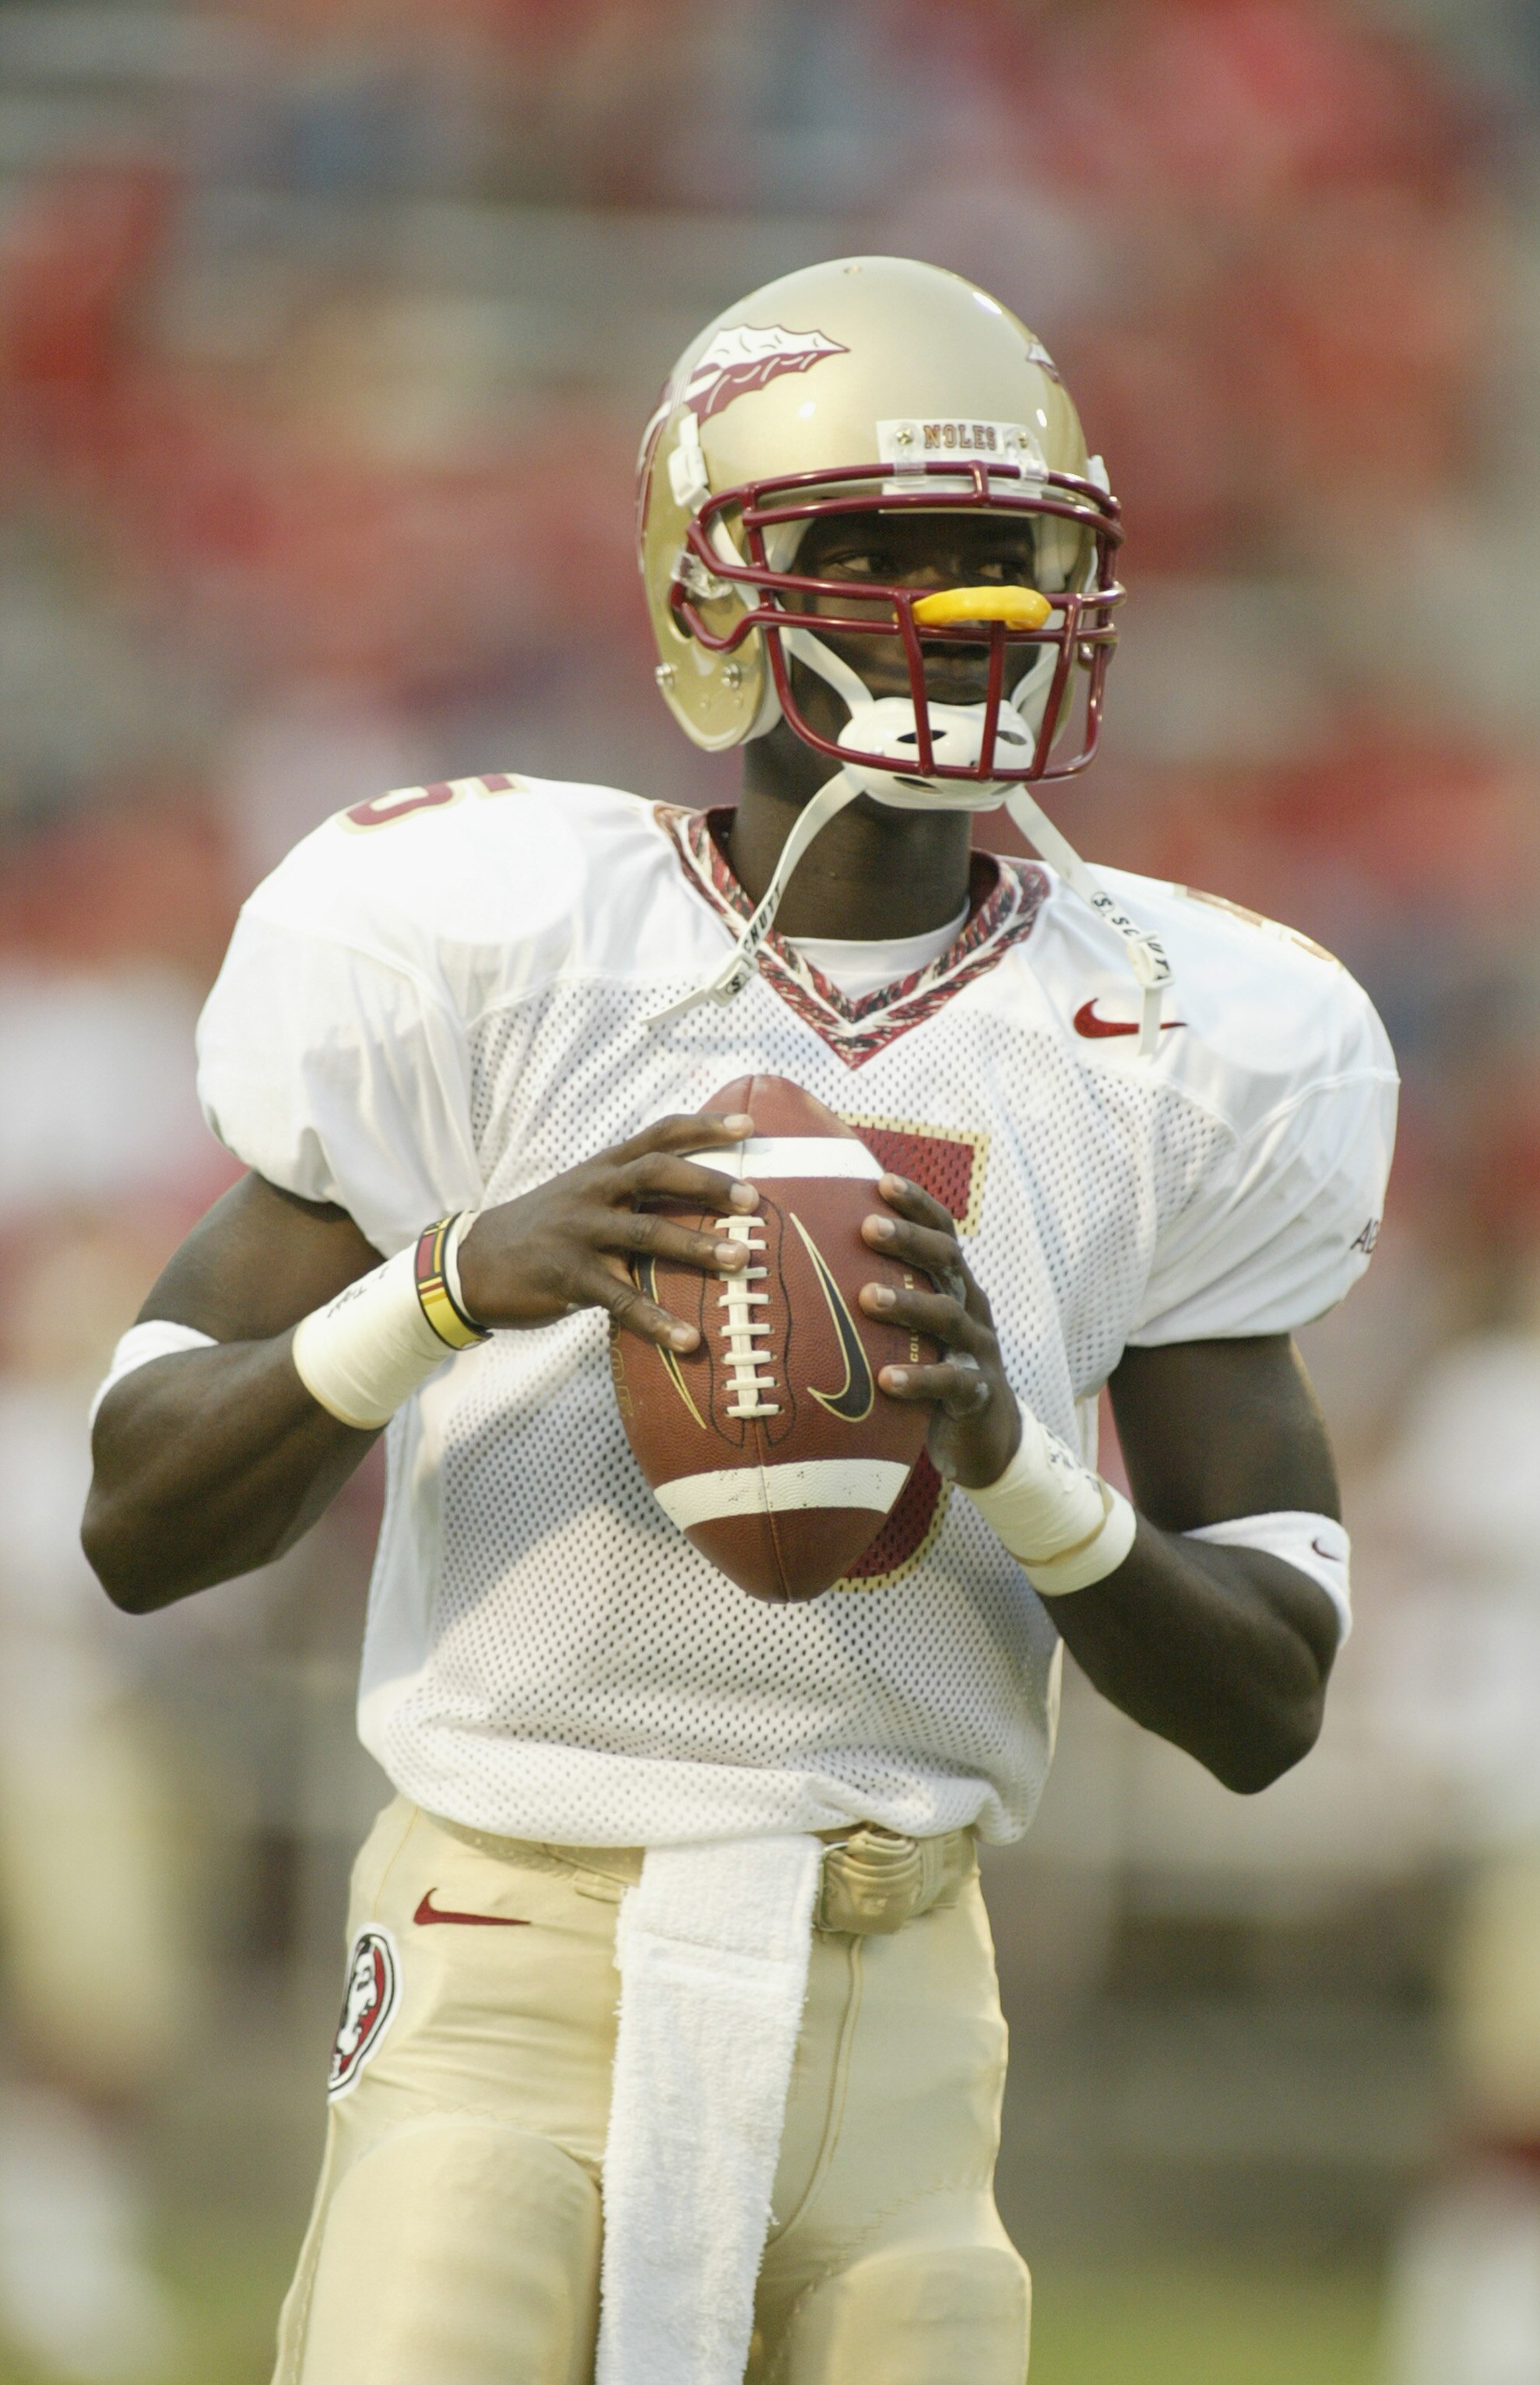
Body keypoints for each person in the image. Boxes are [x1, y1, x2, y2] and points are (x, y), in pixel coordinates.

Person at [81, 256, 1396, 2385]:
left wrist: (1020, 1469)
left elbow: (1267, 1700)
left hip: (902, 1987)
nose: (964, 609)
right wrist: (444, 1285)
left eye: (1003, 555)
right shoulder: (490, 943)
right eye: (880, 552)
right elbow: (141, 1515)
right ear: (715, 592)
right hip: (509, 1933)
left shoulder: (1188, 1030)